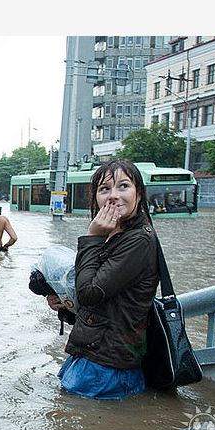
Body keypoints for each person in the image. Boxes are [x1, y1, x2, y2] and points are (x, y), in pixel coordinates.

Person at [46, 158, 159, 400]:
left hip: (107, 367)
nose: (113, 196)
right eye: (104, 189)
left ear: (139, 193)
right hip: (94, 356)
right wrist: (65, 305)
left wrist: (92, 236)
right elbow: (100, 302)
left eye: (123, 186)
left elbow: (90, 292)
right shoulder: (116, 235)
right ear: (95, 197)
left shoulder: (137, 240)